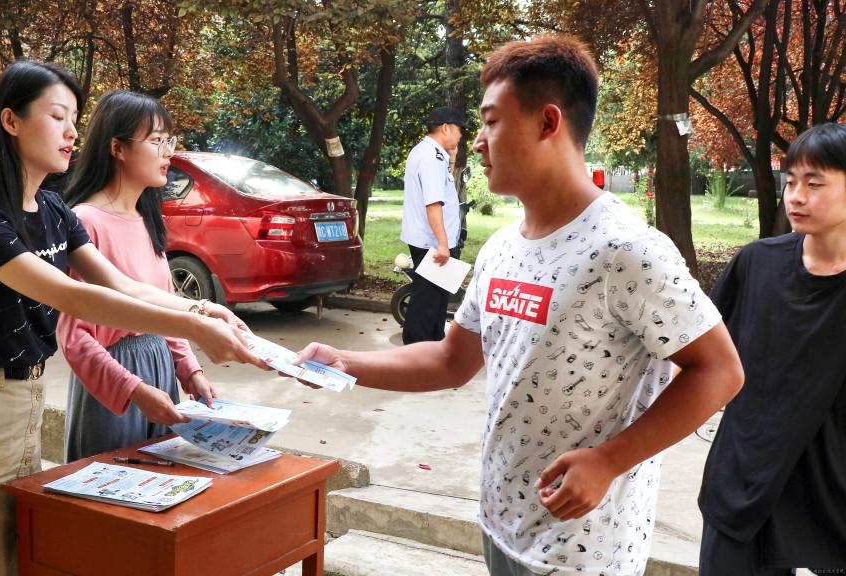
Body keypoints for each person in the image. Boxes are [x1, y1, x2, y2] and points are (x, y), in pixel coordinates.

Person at [293, 35, 743, 575]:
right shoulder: (503, 248)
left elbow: (720, 371)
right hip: (501, 524)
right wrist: (345, 363)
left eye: (491, 122)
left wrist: (609, 461)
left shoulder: (626, 250)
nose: (479, 143)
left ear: (548, 122)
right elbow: (451, 361)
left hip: (584, 550)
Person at [0, 61, 264, 576]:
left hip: (25, 398)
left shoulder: (53, 210)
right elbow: (72, 297)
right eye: (57, 117)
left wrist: (203, 308)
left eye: (75, 120)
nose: (72, 132)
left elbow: (120, 283)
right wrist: (193, 327)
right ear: (11, 121)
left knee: (19, 559)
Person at [697, 123, 846, 575]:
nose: (796, 196)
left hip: (831, 489)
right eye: (790, 181)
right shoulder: (756, 263)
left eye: (814, 184)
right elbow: (701, 360)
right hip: (743, 484)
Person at [57, 90, 217, 462]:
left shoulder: (148, 220)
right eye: (157, 141)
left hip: (159, 372)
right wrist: (133, 389)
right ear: (118, 147)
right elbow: (75, 338)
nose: (168, 153)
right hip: (113, 384)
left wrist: (189, 371)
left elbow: (165, 310)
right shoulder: (85, 222)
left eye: (169, 141)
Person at [401, 106, 466, 344]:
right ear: (445, 128)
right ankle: (414, 350)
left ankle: (434, 346)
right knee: (426, 301)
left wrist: (452, 158)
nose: (461, 135)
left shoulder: (431, 153)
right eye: (459, 130)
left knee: (437, 298)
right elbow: (433, 204)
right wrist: (443, 244)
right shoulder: (430, 157)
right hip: (433, 243)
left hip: (433, 240)